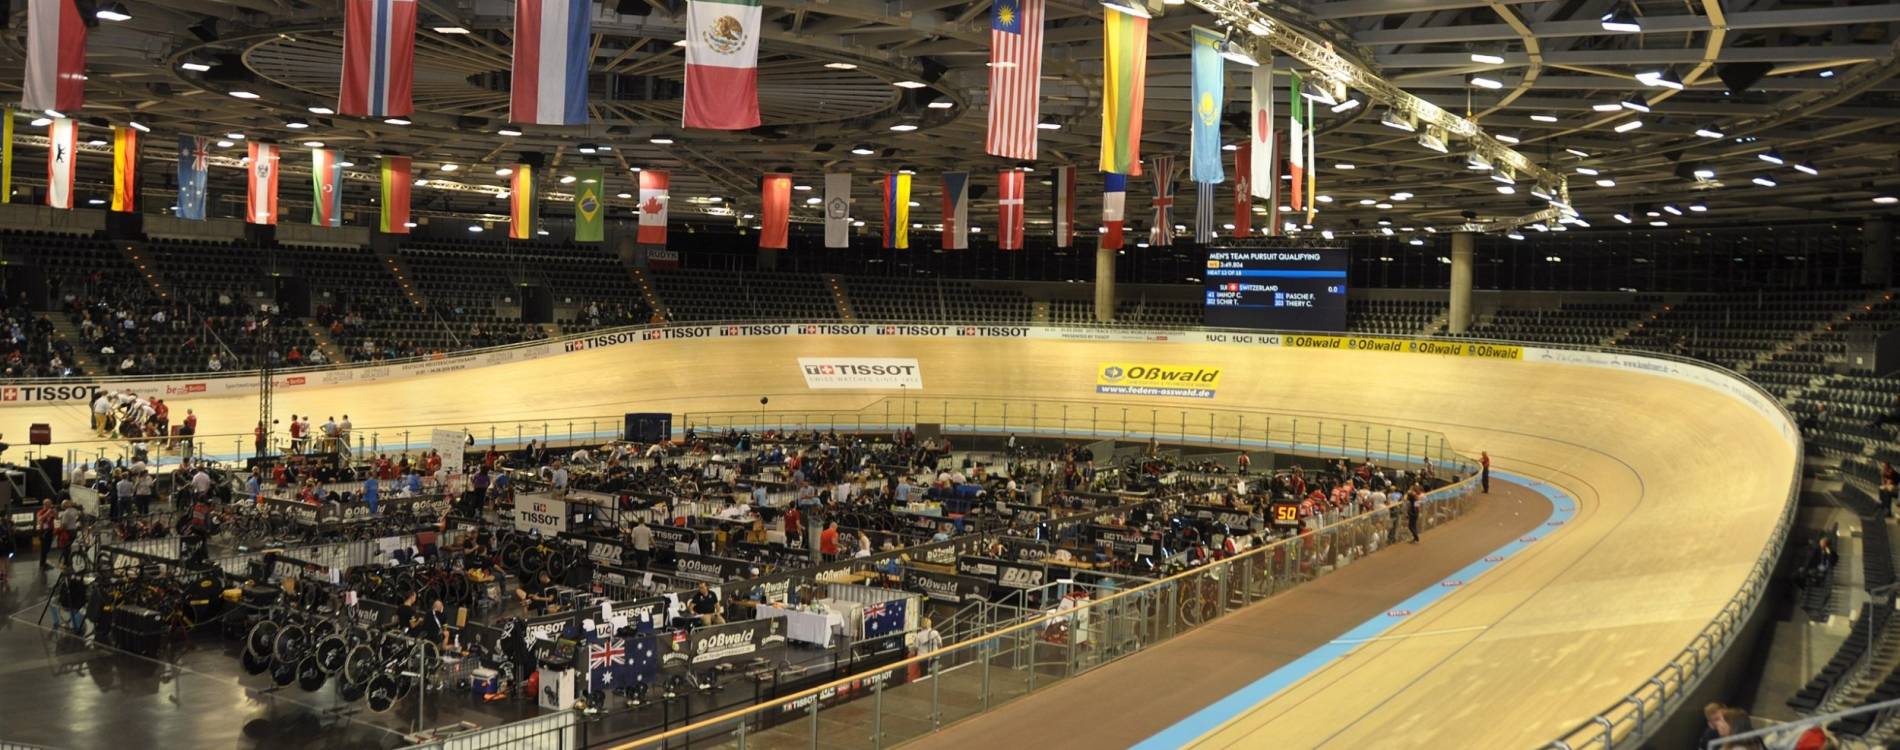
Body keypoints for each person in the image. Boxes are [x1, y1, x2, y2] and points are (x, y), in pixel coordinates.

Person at [53, 564, 87, 635]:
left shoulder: (64, 582)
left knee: (52, 601)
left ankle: (56, 622)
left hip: (67, 604)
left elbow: (59, 594)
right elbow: (84, 597)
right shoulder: (79, 582)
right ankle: (74, 623)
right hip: (76, 606)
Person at [35, 499, 56, 570]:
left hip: (50, 530)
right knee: (44, 548)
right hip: (43, 531)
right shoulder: (41, 512)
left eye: (50, 504)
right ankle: (42, 564)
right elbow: (40, 518)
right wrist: (48, 512)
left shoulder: (51, 511)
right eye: (48, 504)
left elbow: (56, 517)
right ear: (45, 505)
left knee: (48, 547)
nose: (50, 505)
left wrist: (54, 513)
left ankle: (44, 562)